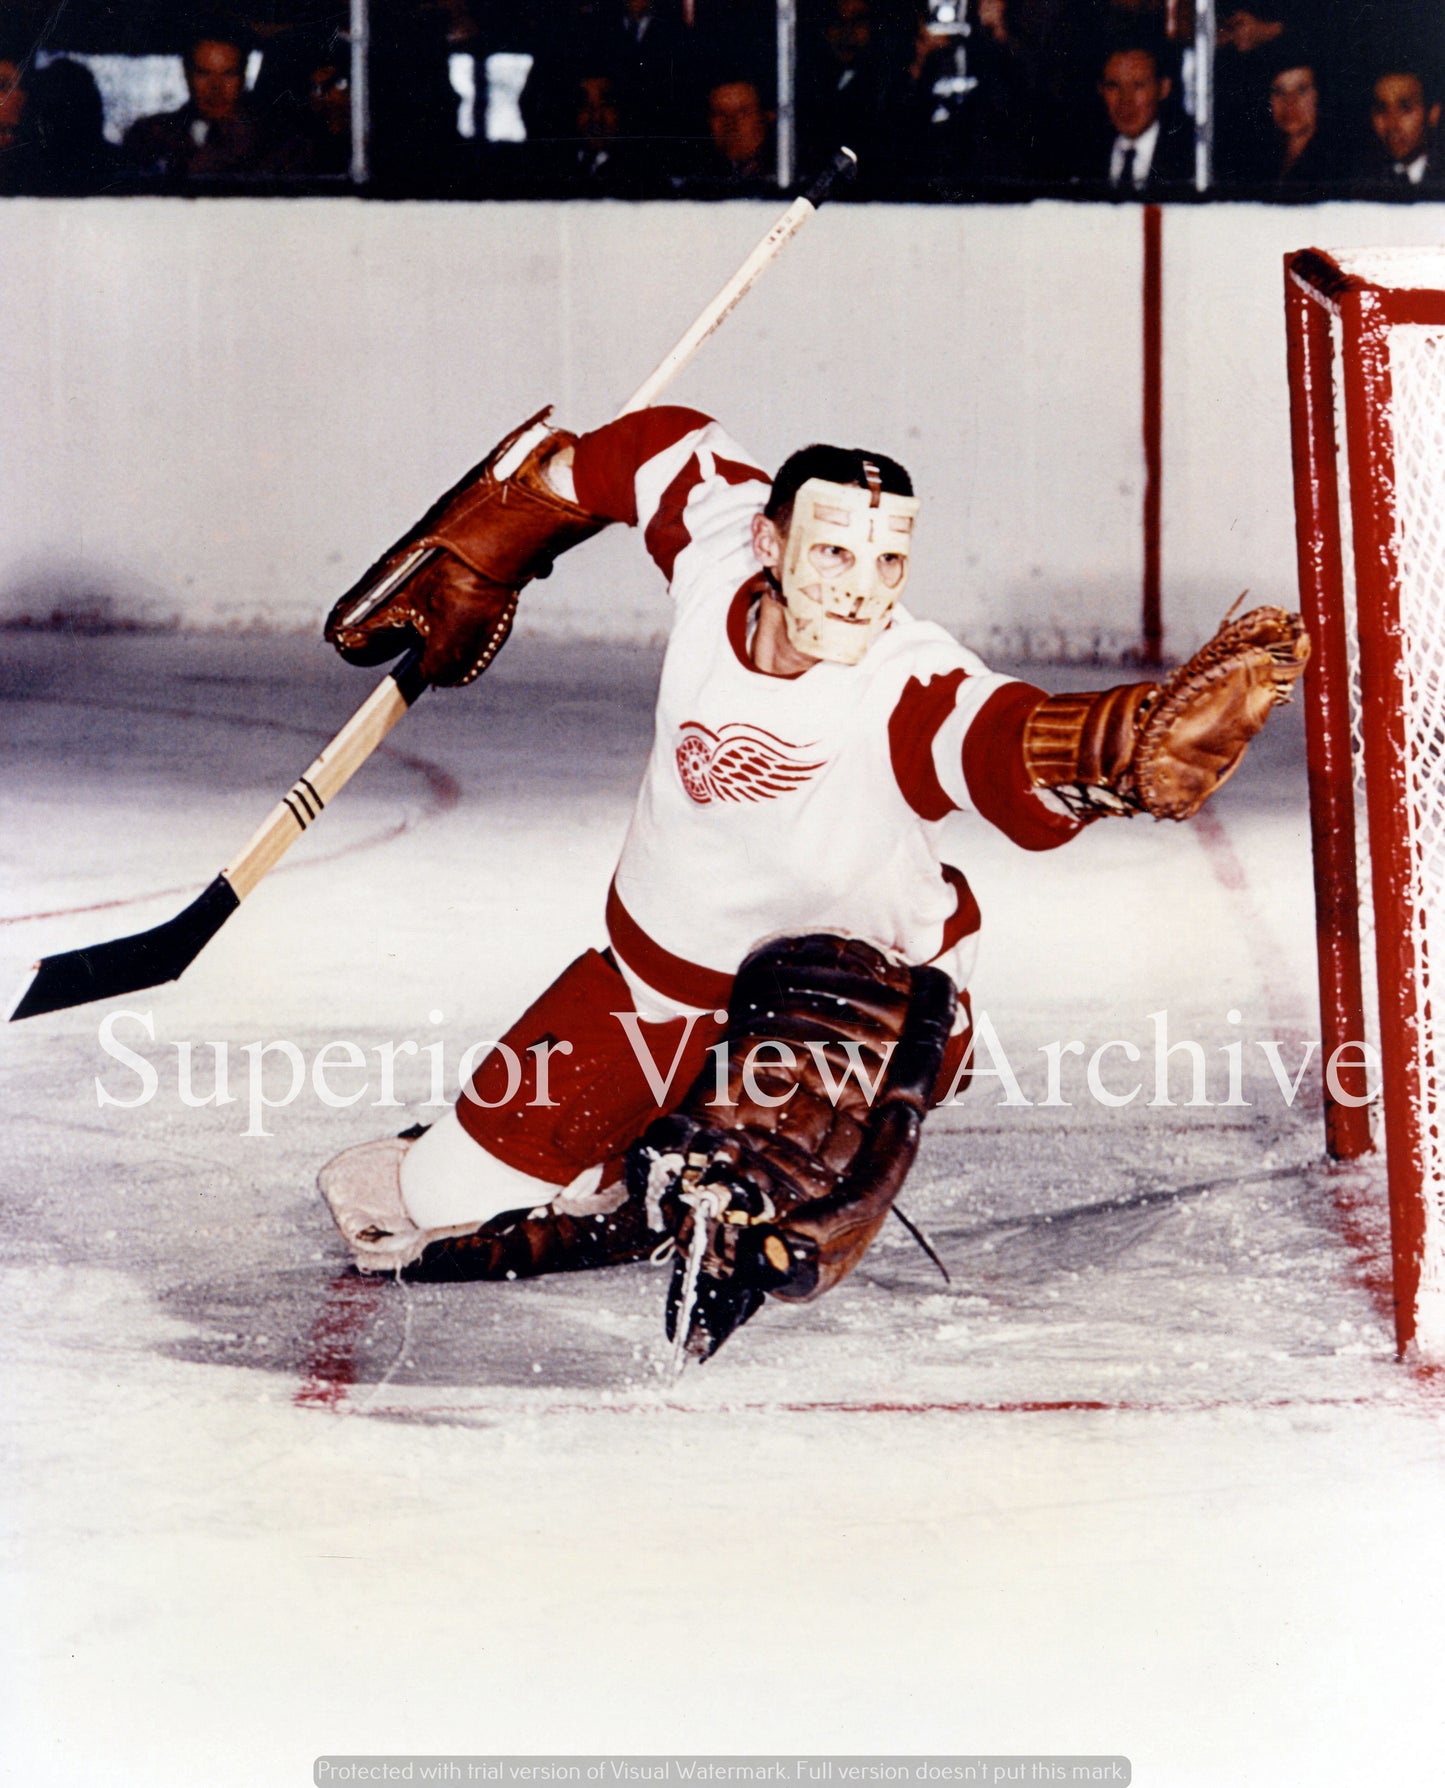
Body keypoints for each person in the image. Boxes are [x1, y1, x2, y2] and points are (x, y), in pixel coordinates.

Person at [316, 405, 1307, 1359]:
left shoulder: (902, 681)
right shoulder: (713, 560)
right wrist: (517, 513)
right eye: (833, 552)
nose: (859, 588)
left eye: (888, 562)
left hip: (835, 998)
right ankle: (629, 1179)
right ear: (765, 542)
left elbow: (992, 739)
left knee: (743, 1187)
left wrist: (1107, 751)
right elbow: (661, 445)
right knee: (441, 1197)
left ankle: (703, 1162)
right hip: (648, 987)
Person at [123, 19, 306, 181]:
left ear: (242, 77)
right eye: (204, 73)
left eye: (228, 74)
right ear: (187, 74)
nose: (215, 88)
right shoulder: (148, 134)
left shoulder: (280, 143)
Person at [1082, 38, 1192, 196]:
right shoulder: (1083, 157)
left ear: (1163, 88)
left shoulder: (1189, 158)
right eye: (1113, 86)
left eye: (1139, 85)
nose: (1125, 101)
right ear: (1100, 90)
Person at [1356, 62, 1443, 194]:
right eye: (1381, 109)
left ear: (1432, 114)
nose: (1391, 124)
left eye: (1405, 108)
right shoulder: (1360, 182)